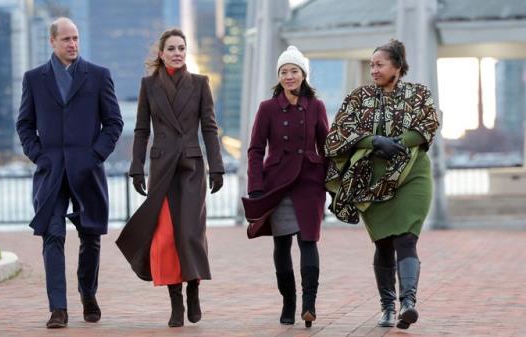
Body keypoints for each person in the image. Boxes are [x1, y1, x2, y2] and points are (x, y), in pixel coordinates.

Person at [324, 39, 439, 330]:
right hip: (372, 181)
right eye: (372, 64)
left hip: (412, 174)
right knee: (384, 243)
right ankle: (388, 307)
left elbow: (428, 124)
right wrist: (373, 141)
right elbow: (337, 134)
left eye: (380, 64)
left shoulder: (418, 94)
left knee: (407, 238)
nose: (373, 69)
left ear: (397, 67)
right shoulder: (358, 97)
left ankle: (408, 303)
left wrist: (398, 143)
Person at [16, 17, 123, 329]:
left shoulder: (99, 76)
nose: (72, 44)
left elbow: (114, 122)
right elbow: (24, 124)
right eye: (66, 39)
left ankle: (88, 294)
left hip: (86, 169)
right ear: (52, 42)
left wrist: (95, 155)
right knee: (53, 235)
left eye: (75, 38)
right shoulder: (34, 79)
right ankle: (58, 309)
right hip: (51, 172)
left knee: (90, 235)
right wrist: (39, 155)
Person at [115, 28, 224, 328]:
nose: (177, 52)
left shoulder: (200, 84)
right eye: (172, 48)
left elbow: (210, 129)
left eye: (182, 48)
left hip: (190, 168)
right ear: (161, 54)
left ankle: (193, 288)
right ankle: (175, 299)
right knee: (164, 238)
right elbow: (141, 129)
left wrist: (217, 166)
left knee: (190, 233)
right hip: (162, 168)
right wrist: (136, 166)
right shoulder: (148, 85)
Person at [241, 46, 329, 327]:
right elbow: (255, 149)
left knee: (308, 241)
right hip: (277, 183)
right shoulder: (267, 108)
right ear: (278, 77)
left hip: (310, 182)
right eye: (283, 72)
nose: (289, 76)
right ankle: (289, 301)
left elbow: (326, 147)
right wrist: (256, 186)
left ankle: (309, 304)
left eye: (293, 71)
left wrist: (330, 183)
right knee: (281, 244)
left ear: (303, 75)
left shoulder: (316, 106)